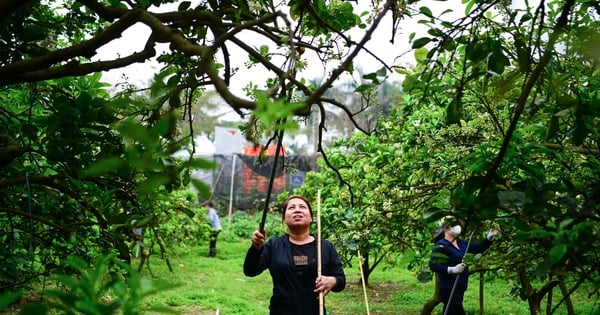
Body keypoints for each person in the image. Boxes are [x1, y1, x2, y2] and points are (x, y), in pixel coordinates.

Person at [243, 195, 346, 315]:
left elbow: (341, 280)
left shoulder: (325, 246)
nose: (297, 210)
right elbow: (250, 271)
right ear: (284, 219)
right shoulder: (274, 245)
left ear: (311, 218)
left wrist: (332, 281)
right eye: (291, 208)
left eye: (302, 207)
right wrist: (256, 248)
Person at [429, 216, 500, 315]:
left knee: (450, 312)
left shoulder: (461, 243)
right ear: (446, 228)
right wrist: (452, 269)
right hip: (448, 287)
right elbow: (433, 265)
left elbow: (479, 248)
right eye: (454, 225)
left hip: (460, 286)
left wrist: (490, 236)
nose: (458, 226)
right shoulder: (440, 245)